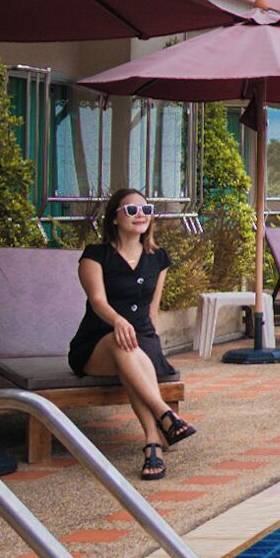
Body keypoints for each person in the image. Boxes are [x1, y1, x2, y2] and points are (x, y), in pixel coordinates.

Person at [69, 188, 197, 480]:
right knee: (122, 341)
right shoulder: (95, 256)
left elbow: (152, 311)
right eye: (131, 210)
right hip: (97, 341)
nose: (141, 215)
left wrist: (150, 346)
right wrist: (118, 322)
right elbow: (98, 302)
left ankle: (152, 442)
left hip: (141, 339)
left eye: (146, 210)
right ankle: (165, 414)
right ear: (115, 218)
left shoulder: (159, 258)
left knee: (131, 353)